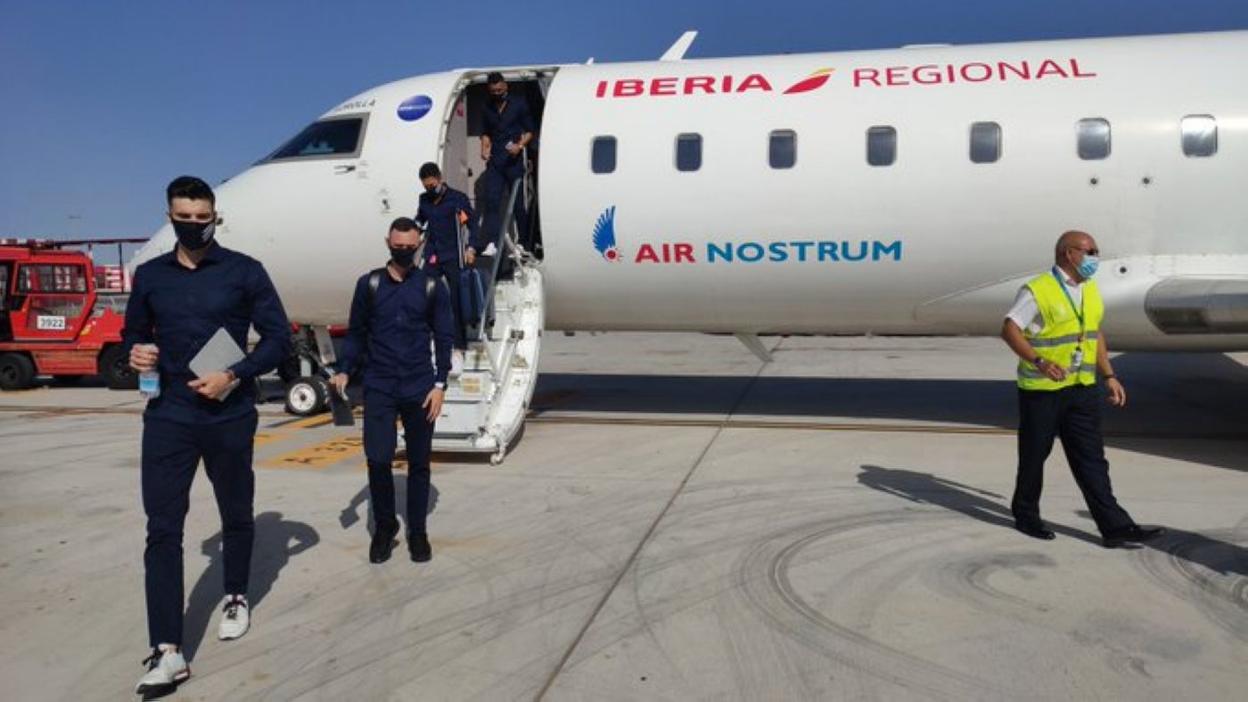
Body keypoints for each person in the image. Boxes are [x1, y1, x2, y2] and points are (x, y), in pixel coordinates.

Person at [124, 175, 291, 695]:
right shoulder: (150, 276)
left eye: (202, 218)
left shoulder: (245, 272)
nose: (193, 226)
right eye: (184, 218)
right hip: (169, 415)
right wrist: (137, 352)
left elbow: (279, 339)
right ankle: (167, 650)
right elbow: (134, 332)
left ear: (215, 217)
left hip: (229, 413)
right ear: (170, 215)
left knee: (236, 513)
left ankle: (236, 593)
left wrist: (235, 374)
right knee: (162, 529)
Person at [1001, 230, 1163, 548]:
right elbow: (1009, 329)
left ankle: (1115, 527)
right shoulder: (1038, 289)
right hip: (1043, 389)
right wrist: (1038, 361)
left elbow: (1094, 335)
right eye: (1089, 251)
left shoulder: (1089, 289)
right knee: (1034, 456)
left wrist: (1109, 375)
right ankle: (1026, 515)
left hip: (1082, 388)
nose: (1094, 257)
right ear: (1068, 253)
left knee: (1092, 460)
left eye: (1095, 251)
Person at [331, 217, 454, 565]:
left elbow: (444, 336)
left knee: (419, 463)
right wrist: (344, 370)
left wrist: (441, 384)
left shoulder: (432, 285)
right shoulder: (368, 284)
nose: (403, 251)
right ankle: (385, 527)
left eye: (409, 247)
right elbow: (356, 333)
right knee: (378, 459)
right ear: (387, 241)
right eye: (397, 246)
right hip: (380, 386)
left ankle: (418, 530)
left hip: (420, 387)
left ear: (419, 243)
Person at [415, 162, 484, 374]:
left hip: (454, 255)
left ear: (440, 178)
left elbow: (473, 225)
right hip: (434, 256)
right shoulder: (424, 200)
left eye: (432, 185)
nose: (429, 189)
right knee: (423, 296)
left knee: (455, 301)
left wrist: (471, 248)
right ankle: (428, 343)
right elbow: (419, 222)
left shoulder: (457, 198)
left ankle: (459, 347)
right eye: (426, 186)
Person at [479, 71, 535, 252]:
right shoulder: (486, 107)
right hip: (496, 160)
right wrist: (484, 147)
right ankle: (492, 242)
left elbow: (529, 131)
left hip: (514, 160)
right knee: (491, 200)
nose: (497, 93)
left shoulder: (518, 104)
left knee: (518, 202)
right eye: (493, 91)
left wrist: (520, 146)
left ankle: (524, 242)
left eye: (500, 90)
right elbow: (486, 132)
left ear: (505, 86)